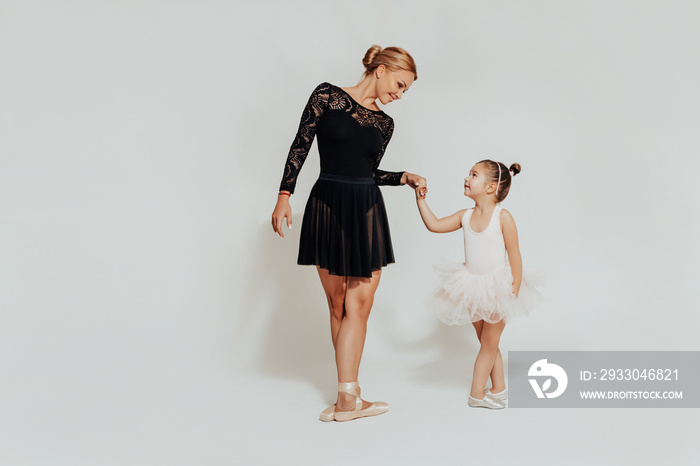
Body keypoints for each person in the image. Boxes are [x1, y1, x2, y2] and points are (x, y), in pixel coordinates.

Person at [271, 45, 426, 421]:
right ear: (382, 69)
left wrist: (402, 176)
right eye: (400, 85)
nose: (400, 95)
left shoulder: (385, 124)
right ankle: (349, 398)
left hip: (366, 208)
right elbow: (301, 144)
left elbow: (368, 171)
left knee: (359, 305)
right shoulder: (327, 95)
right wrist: (283, 196)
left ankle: (347, 398)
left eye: (405, 91)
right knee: (338, 303)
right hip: (327, 202)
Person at [414, 160, 542, 409]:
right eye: (469, 173)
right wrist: (420, 201)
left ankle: (476, 394)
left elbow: (514, 254)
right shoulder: (465, 216)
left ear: (491, 187)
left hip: (497, 287)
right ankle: (498, 387)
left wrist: (514, 288)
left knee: (489, 343)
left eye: (474, 175)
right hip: (471, 287)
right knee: (487, 341)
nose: (466, 178)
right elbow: (435, 225)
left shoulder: (503, 217)